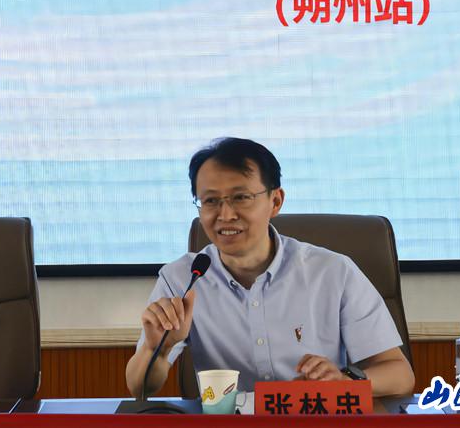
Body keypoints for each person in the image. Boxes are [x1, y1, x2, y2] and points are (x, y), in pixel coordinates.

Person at [126, 137, 414, 398]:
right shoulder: (182, 279)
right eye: (211, 201)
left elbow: (399, 375)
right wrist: (156, 349)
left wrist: (344, 382)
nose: (225, 214)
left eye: (241, 197)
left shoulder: (333, 272)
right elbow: (140, 387)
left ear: (275, 201)